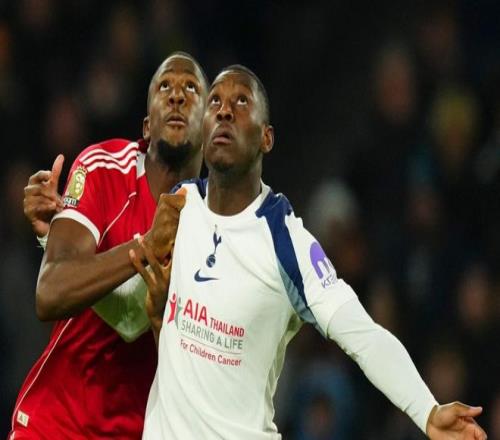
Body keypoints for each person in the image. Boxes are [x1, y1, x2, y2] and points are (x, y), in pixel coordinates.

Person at [130, 65, 487, 439]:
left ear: (266, 138)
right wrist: (154, 317)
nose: (224, 112)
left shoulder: (285, 240)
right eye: (215, 102)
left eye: (241, 102)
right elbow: (126, 318)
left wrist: (427, 411)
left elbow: (363, 334)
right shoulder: (179, 207)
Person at [10, 52, 208, 439]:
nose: (177, 95)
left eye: (191, 88)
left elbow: (132, 321)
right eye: (164, 86)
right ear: (147, 126)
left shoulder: (215, 225)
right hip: (54, 423)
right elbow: (50, 292)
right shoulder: (104, 168)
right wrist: (147, 246)